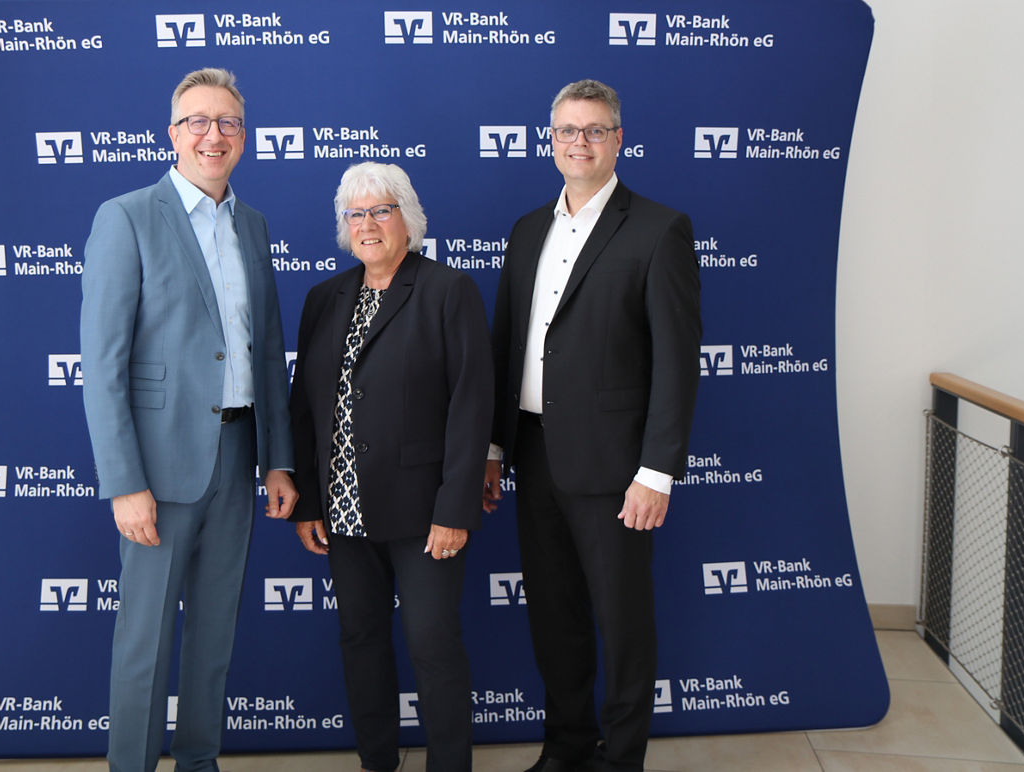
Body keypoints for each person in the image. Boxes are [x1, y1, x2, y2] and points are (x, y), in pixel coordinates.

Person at [80, 67, 297, 772]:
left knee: (213, 639)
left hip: (237, 459)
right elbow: (104, 363)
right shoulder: (127, 216)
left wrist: (278, 459)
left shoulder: (253, 225)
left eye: (228, 122)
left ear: (244, 137)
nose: (214, 134)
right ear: (172, 134)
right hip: (158, 472)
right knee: (143, 643)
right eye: (198, 121)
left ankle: (200, 762)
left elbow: (267, 354)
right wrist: (123, 482)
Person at [483, 80, 701, 772]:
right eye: (567, 132)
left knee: (622, 623)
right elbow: (505, 344)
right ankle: (567, 748)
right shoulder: (527, 229)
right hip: (535, 453)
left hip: (616, 466)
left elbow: (676, 362)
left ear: (618, 140)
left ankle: (622, 758)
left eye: (594, 130)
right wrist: (493, 447)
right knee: (554, 616)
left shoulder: (659, 229)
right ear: (550, 141)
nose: (579, 143)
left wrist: (656, 471)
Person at [291, 162, 493, 772]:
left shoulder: (446, 290)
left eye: (382, 210)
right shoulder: (324, 298)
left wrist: (454, 508)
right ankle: (377, 760)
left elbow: (471, 404)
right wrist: (307, 501)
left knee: (432, 646)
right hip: (345, 511)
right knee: (361, 641)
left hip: (424, 513)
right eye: (356, 214)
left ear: (409, 219)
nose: (368, 224)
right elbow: (304, 407)